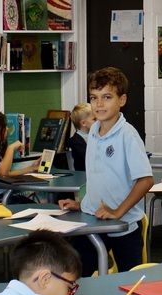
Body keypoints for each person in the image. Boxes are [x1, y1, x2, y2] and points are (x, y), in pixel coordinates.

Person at [58, 67, 154, 277]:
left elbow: (146, 180)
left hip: (123, 225)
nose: (99, 104)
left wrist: (118, 212)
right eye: (94, 98)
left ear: (122, 100)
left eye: (107, 97)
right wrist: (81, 204)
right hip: (94, 221)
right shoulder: (93, 130)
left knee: (128, 286)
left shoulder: (127, 135)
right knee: (75, 277)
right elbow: (98, 177)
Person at [63, 103, 93, 171]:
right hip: (82, 175)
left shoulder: (94, 137)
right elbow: (88, 160)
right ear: (83, 123)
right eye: (94, 119)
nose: (98, 122)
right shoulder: (76, 142)